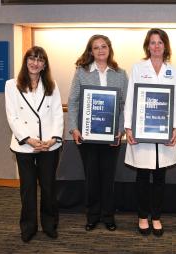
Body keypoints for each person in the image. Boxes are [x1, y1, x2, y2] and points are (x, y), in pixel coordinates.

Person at [124, 28, 176, 237]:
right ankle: (142, 216)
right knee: (141, 175)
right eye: (152, 42)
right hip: (142, 131)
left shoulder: (173, 71)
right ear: (147, 46)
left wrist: (175, 127)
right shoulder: (138, 68)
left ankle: (156, 217)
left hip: (163, 131)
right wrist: (128, 127)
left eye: (160, 42)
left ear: (165, 46)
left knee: (159, 177)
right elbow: (131, 98)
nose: (156, 46)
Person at [67, 34, 128, 232]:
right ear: (90, 51)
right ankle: (92, 216)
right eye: (96, 47)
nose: (100, 50)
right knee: (92, 177)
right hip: (87, 136)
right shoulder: (81, 72)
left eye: (104, 46)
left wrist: (120, 131)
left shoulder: (120, 73)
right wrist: (74, 128)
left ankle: (108, 216)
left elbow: (125, 105)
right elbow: (74, 101)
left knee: (108, 178)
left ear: (109, 49)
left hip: (112, 137)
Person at [5, 46, 63, 243]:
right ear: (26, 61)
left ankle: (49, 224)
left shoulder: (51, 85)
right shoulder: (11, 85)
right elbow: (12, 117)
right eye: (32, 58)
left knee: (48, 187)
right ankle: (28, 227)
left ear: (44, 64)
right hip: (25, 146)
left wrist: (53, 138)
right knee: (28, 188)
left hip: (48, 145)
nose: (35, 63)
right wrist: (28, 139)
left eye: (40, 59)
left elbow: (57, 114)